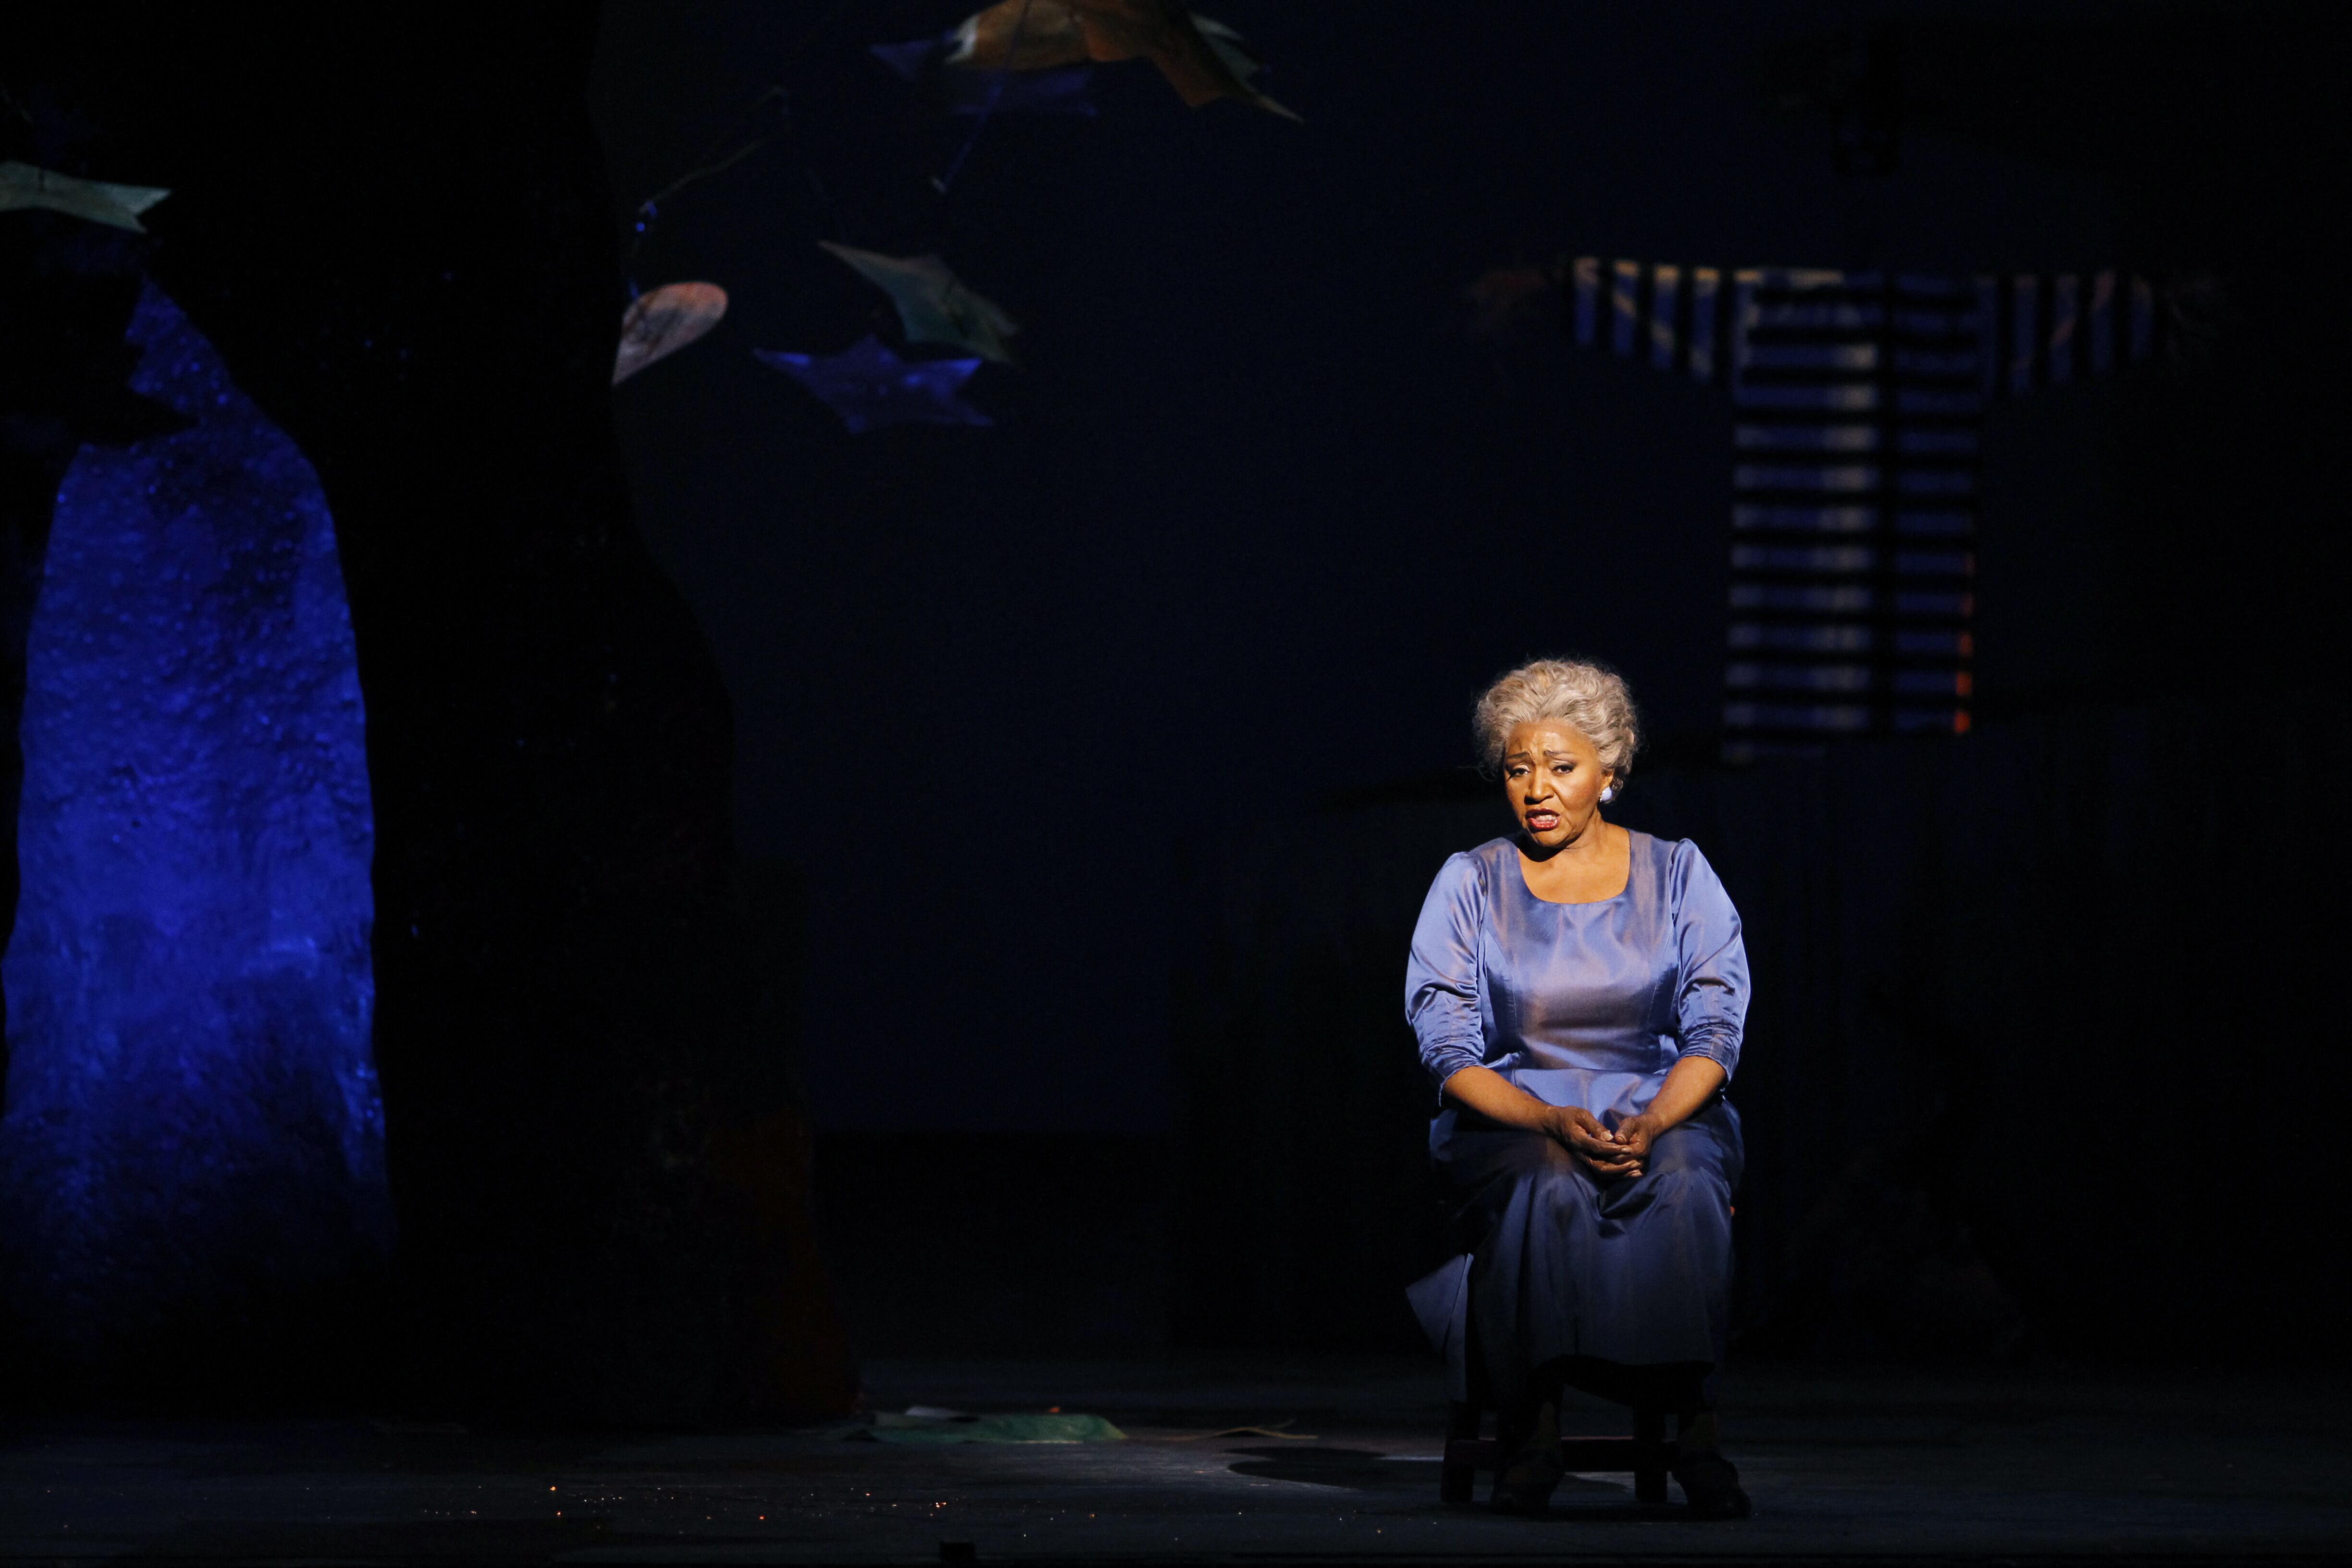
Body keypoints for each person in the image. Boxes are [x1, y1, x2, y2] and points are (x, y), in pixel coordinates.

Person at [1404, 658, 1750, 1517]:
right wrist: (1552, 1118)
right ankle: (1535, 1430)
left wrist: (1655, 1119)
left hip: (1659, 1103)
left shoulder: (1678, 874)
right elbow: (1450, 1051)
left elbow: (1715, 1028)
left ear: (1608, 772)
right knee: (1545, 1180)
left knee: (1682, 1176)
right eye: (1519, 769)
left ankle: (1695, 1429)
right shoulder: (1471, 881)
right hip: (1515, 1113)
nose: (1537, 789)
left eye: (1561, 767)